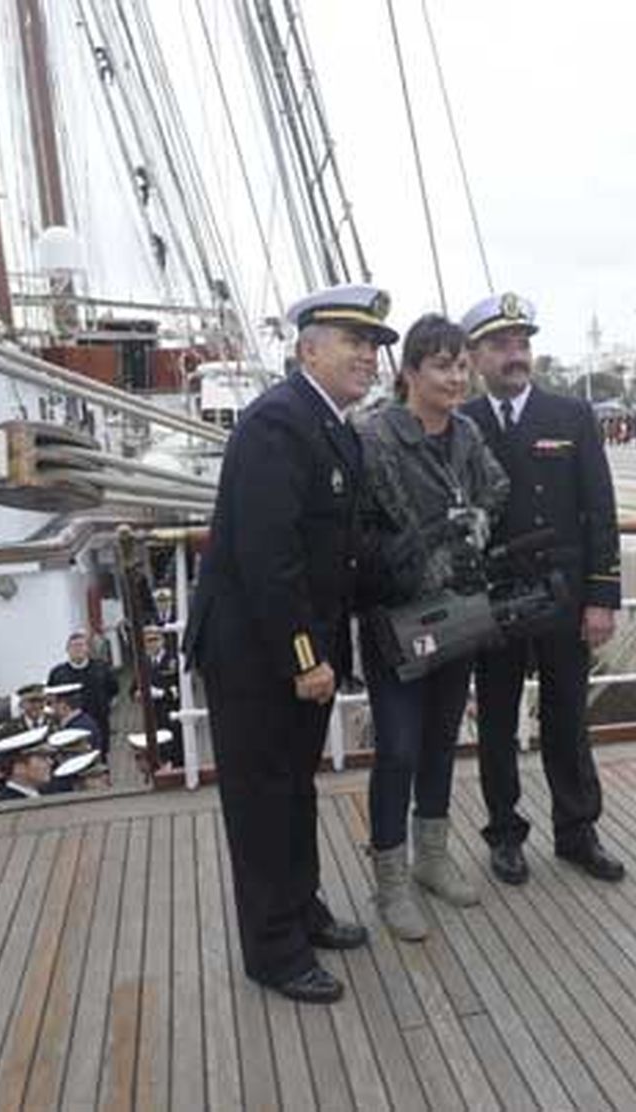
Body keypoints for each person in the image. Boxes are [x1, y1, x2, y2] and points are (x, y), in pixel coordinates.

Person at [183, 283, 390, 1004]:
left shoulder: (330, 424)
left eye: (373, 345)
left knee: (293, 790)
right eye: (352, 342)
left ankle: (302, 911)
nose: (368, 355)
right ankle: (273, 950)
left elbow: (338, 549)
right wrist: (306, 657)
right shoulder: (279, 424)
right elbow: (270, 560)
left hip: (294, 649)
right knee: (263, 800)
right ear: (308, 348)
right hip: (255, 655)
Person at [459, 292, 626, 885]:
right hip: (494, 600)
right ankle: (504, 834)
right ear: (475, 356)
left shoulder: (570, 417)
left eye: (522, 343)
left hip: (563, 596)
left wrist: (603, 597)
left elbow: (600, 511)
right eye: (500, 345)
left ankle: (578, 831)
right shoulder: (463, 424)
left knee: (566, 719)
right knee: (498, 722)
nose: (515, 355)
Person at [356, 314, 508, 940]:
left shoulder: (468, 435)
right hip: (396, 616)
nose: (456, 376)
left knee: (442, 739)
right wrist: (430, 541)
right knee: (396, 749)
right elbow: (366, 527)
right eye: (442, 366)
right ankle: (390, 882)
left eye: (461, 365)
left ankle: (433, 858)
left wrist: (474, 521)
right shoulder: (376, 440)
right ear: (410, 373)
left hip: (458, 612)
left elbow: (495, 490)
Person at [48, 630, 118, 756]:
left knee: (100, 757)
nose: (78, 649)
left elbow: (113, 690)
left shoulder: (101, 668)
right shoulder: (58, 673)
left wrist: (106, 708)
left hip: (99, 723)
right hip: (69, 726)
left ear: (87, 648)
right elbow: (51, 697)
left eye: (81, 645)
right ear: (67, 650)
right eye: (74, 646)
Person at [134, 625, 182, 767]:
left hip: (171, 712)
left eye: (155, 639)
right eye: (148, 640)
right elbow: (133, 687)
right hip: (152, 715)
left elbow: (184, 687)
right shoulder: (142, 662)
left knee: (175, 748)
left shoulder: (173, 660)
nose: (151, 643)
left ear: (162, 640)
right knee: (156, 750)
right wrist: (137, 694)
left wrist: (162, 693)